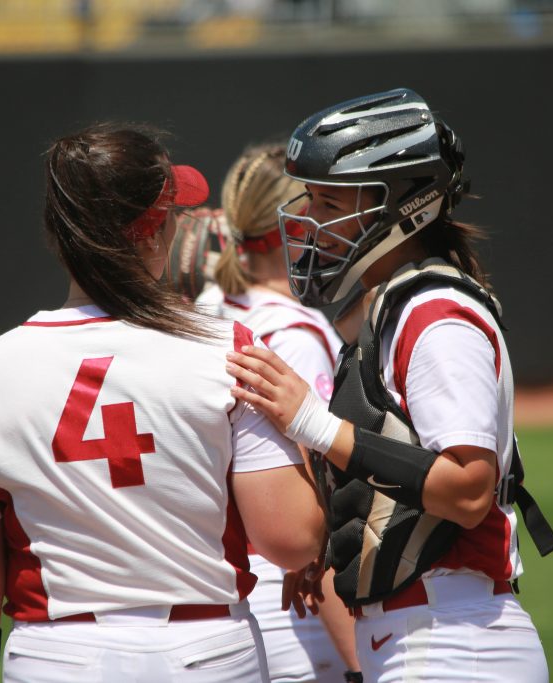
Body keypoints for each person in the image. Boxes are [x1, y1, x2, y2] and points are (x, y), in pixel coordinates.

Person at [0, 122, 325, 683]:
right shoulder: (231, 351)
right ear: (152, 234)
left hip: (56, 659)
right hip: (206, 653)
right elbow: (290, 540)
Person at [225, 88, 553, 682]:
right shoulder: (392, 307)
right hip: (424, 634)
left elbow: (469, 489)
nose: (311, 219)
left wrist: (310, 422)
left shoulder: (436, 317)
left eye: (330, 202)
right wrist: (333, 542)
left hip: (451, 639)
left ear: (403, 206)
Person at [207, 143, 363, 683]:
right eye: (317, 204)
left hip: (230, 586)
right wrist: (361, 666)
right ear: (294, 224)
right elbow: (323, 521)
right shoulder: (294, 334)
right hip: (295, 608)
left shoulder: (205, 310)